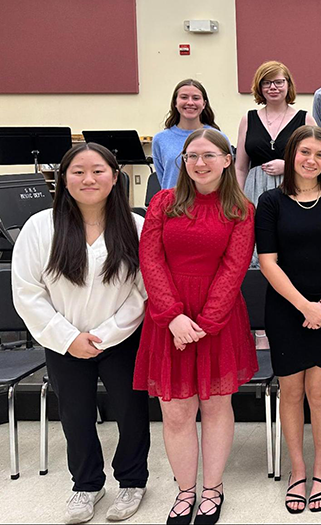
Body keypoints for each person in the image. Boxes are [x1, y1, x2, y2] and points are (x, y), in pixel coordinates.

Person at [12, 143, 150, 524]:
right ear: (64, 178)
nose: (88, 179)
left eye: (98, 170)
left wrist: (106, 333)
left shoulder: (136, 226)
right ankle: (87, 484)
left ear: (114, 176)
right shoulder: (41, 227)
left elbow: (143, 290)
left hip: (122, 339)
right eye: (78, 171)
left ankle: (133, 480)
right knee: (74, 415)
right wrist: (67, 336)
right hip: (63, 341)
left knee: (131, 411)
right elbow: (27, 291)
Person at [134, 128, 257, 525]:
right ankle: (186, 490)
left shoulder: (240, 209)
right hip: (168, 319)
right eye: (191, 156)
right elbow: (149, 260)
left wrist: (205, 322)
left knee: (217, 406)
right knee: (176, 413)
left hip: (216, 320)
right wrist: (172, 316)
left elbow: (234, 267)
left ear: (226, 159)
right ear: (182, 162)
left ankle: (212, 489)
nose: (199, 163)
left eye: (208, 155)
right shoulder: (163, 202)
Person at [255, 126, 321, 514]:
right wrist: (304, 306)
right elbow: (267, 262)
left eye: (320, 155)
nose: (311, 160)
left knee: (319, 391)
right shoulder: (270, 202)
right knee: (291, 391)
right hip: (285, 307)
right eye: (305, 152)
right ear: (292, 155)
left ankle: (320, 468)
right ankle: (298, 470)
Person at [234, 61, 317, 205]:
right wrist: (238, 199)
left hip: (294, 189)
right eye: (266, 83)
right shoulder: (248, 119)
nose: (273, 87)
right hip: (254, 191)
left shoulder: (305, 119)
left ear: (288, 85)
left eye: (279, 82)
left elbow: (319, 161)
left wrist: (289, 166)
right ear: (260, 87)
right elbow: (240, 168)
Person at [152, 79, 229, 189]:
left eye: (196, 98)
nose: (190, 102)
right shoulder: (160, 139)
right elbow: (163, 177)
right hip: (174, 204)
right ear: (175, 102)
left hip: (210, 203)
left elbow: (227, 177)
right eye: (184, 97)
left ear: (204, 104)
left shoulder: (218, 137)